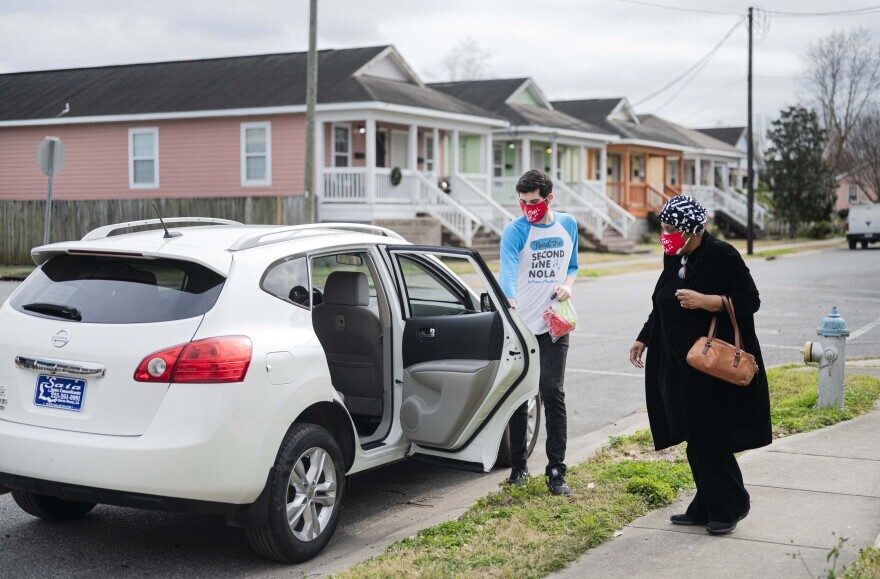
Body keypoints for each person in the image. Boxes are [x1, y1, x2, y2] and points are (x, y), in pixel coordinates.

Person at [629, 195, 771, 534]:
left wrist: (707, 302)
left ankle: (731, 506)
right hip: (679, 363)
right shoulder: (674, 254)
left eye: (672, 229)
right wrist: (644, 337)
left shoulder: (721, 254)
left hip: (711, 364)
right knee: (695, 435)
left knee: (709, 437)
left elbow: (750, 299)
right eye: (663, 229)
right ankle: (705, 505)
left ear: (694, 229)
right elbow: (661, 301)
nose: (666, 235)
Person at [499, 169, 579, 496]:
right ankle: (519, 468)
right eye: (522, 202)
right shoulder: (514, 231)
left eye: (534, 201)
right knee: (521, 397)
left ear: (549, 198)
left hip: (554, 326)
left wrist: (567, 287)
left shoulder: (567, 224)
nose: (528, 207)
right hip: (522, 328)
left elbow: (572, 265)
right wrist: (511, 304)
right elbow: (506, 274)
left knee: (552, 392)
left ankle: (556, 471)